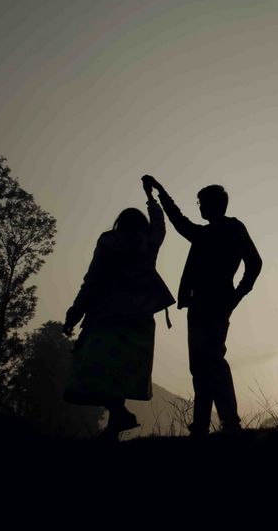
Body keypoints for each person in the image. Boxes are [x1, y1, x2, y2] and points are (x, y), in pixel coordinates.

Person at [142, 175, 262, 436]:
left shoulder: (227, 229)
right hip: (203, 303)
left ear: (212, 204)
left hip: (215, 303)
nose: (199, 207)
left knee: (211, 360)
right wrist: (161, 192)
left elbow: (254, 263)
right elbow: (181, 222)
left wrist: (236, 296)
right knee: (201, 364)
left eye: (201, 202)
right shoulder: (209, 233)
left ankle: (229, 422)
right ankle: (202, 424)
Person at [63, 177, 176, 439]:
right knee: (122, 375)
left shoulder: (109, 242)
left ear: (119, 223)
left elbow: (92, 279)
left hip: (107, 317)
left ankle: (118, 420)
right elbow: (160, 224)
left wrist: (75, 311)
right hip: (139, 319)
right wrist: (151, 195)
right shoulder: (149, 241)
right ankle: (117, 420)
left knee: (96, 369)